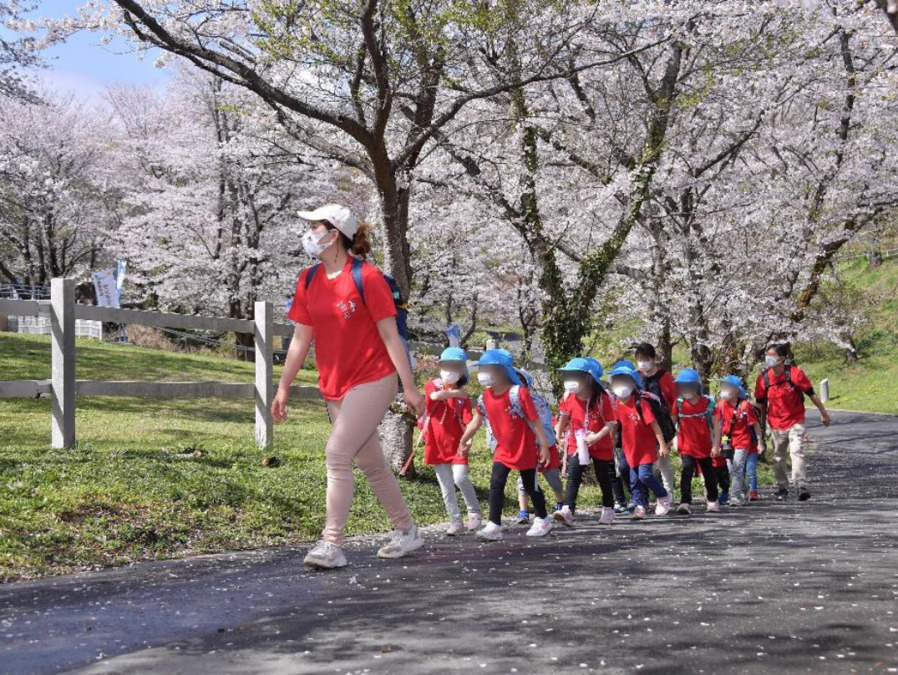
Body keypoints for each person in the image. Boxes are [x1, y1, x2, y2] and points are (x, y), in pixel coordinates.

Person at [273, 204, 425, 570]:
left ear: (334, 234)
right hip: (335, 384)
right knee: (371, 462)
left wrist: (409, 387)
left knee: (337, 453)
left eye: (315, 227)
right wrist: (283, 387)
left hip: (374, 377)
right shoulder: (308, 279)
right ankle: (407, 530)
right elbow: (300, 339)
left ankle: (332, 544)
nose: (309, 234)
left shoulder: (367, 277)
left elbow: (390, 335)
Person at [459, 349, 553, 541]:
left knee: (530, 485)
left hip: (524, 448)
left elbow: (535, 421)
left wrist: (544, 446)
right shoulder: (485, 397)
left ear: (502, 370)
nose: (482, 373)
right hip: (502, 449)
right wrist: (463, 440)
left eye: (487, 368)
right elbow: (476, 421)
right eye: (481, 368)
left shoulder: (519, 393)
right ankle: (494, 525)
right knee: (496, 483)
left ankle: (543, 518)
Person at [754, 344, 831, 501]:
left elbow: (811, 394)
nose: (768, 358)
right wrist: (759, 427)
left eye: (772, 355)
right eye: (767, 354)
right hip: (775, 423)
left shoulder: (795, 374)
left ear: (781, 359)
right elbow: (760, 404)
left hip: (795, 420)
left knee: (796, 451)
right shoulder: (763, 378)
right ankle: (782, 487)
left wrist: (824, 413)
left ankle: (800, 485)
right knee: (778, 457)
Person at [423, 347, 483, 535]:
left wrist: (468, 440)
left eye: (455, 366)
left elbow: (468, 419)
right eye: (446, 365)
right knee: (446, 486)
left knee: (460, 478)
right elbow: (434, 397)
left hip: (458, 445)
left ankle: (474, 512)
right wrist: (456, 393)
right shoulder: (432, 385)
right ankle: (455, 521)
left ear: (463, 370)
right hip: (436, 445)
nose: (450, 370)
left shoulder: (463, 397)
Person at [553, 358, 618, 527]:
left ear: (588, 378)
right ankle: (567, 510)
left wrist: (597, 437)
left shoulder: (602, 397)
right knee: (573, 474)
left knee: (603, 476)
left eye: (575, 375)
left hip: (600, 443)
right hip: (577, 441)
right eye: (568, 375)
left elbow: (610, 423)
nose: (570, 379)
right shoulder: (568, 396)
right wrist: (558, 436)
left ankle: (608, 509)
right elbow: (564, 416)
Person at [609, 364, 672, 520]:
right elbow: (615, 425)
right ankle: (639, 507)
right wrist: (611, 441)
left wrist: (662, 445)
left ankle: (663, 495)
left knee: (644, 476)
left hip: (646, 449)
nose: (621, 385)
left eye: (624, 380)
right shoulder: (616, 404)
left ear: (633, 383)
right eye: (617, 381)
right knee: (634, 480)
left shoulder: (641, 402)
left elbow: (654, 425)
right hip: (630, 449)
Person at [671, 368, 720, 515]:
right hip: (686, 447)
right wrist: (668, 441)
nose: (684, 389)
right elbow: (672, 423)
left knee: (708, 473)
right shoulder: (679, 403)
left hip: (705, 447)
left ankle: (712, 500)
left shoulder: (708, 404)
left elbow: (717, 427)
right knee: (686, 471)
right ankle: (685, 502)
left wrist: (716, 446)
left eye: (688, 385)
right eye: (682, 386)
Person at [635, 343, 677, 499]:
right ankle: (649, 495)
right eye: (639, 359)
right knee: (645, 463)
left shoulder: (665, 377)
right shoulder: (636, 376)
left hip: (661, 424)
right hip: (641, 426)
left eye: (644, 359)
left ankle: (668, 492)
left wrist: (671, 431)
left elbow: (674, 403)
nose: (641, 362)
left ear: (652, 359)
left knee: (663, 461)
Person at [713, 375, 763, 506]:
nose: (725, 389)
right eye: (723, 386)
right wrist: (716, 445)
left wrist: (760, 443)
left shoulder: (745, 406)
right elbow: (717, 425)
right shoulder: (720, 405)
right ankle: (746, 489)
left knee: (737, 469)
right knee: (732, 470)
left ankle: (735, 496)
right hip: (726, 441)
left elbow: (756, 425)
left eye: (728, 387)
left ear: (736, 390)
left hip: (742, 441)